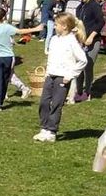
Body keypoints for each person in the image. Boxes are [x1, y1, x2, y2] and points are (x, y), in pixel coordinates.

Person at [33, 13, 88, 142]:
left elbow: (82, 60)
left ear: (64, 26)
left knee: (57, 104)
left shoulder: (72, 41)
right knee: (44, 102)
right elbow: (51, 57)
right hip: (50, 75)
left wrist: (70, 75)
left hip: (62, 78)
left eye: (56, 24)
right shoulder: (54, 39)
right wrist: (47, 73)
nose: (54, 26)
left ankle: (52, 131)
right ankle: (44, 128)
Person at [0, 8, 43, 110]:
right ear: (4, 17)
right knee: (5, 79)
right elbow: (20, 31)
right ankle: (0, 101)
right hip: (8, 57)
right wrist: (36, 29)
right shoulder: (7, 27)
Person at [75, 0, 105, 101]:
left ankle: (87, 92)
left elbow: (101, 22)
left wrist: (92, 36)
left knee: (88, 66)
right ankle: (78, 91)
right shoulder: (80, 7)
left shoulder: (94, 6)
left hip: (93, 40)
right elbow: (78, 23)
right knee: (79, 65)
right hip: (81, 40)